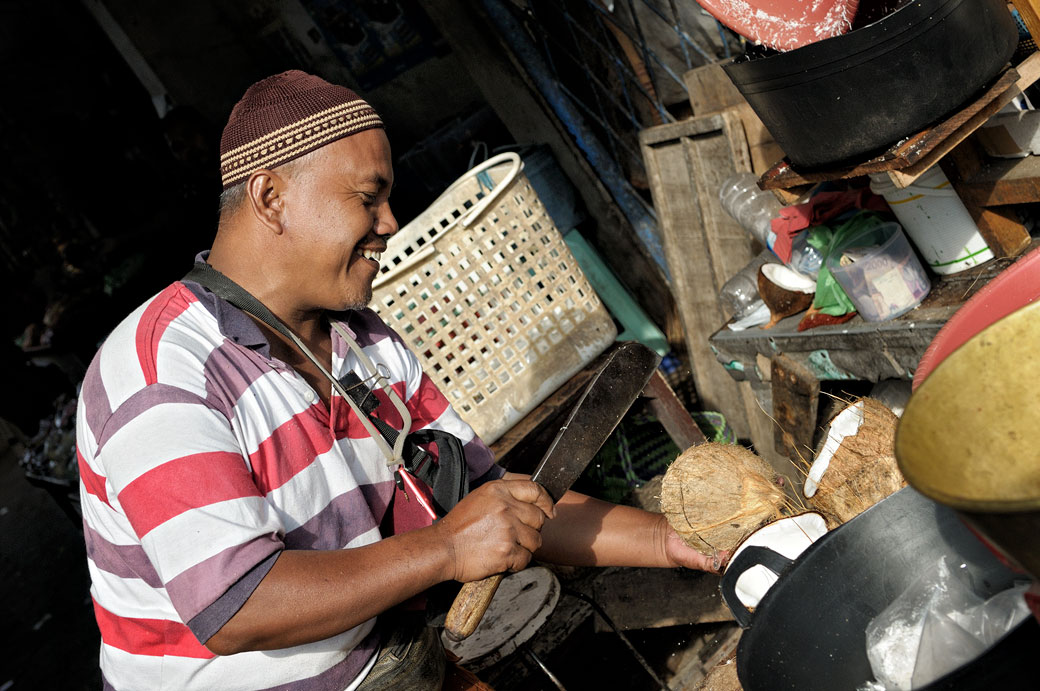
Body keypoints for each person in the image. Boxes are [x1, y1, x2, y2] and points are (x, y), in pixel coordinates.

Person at [76, 70, 720, 691]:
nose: (389, 223)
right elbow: (237, 604)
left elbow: (489, 505)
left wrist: (674, 541)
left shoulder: (363, 337)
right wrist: (444, 548)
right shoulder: (162, 368)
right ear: (271, 198)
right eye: (367, 197)